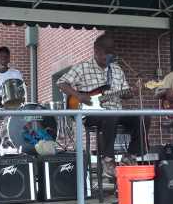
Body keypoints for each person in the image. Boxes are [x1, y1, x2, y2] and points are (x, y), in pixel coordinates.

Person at [57, 34, 144, 179]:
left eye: (112, 51)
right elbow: (61, 83)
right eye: (106, 51)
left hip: (115, 112)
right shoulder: (82, 67)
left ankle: (130, 156)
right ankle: (108, 160)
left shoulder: (117, 69)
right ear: (95, 50)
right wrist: (79, 96)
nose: (109, 55)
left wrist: (134, 91)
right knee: (111, 116)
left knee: (142, 117)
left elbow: (125, 94)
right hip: (91, 113)